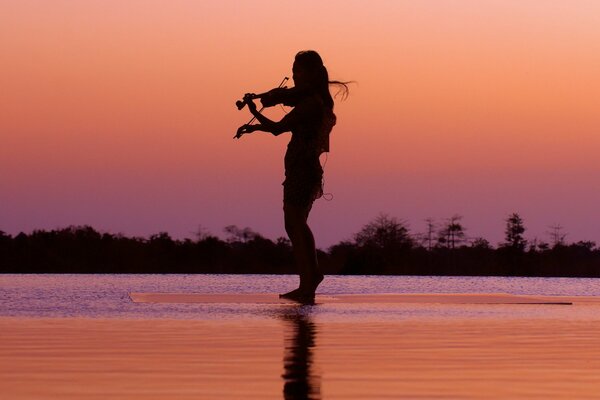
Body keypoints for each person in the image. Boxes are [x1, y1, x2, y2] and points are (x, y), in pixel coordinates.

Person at [236, 50, 348, 303]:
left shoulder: (310, 104)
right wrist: (255, 122)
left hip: (302, 170)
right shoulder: (312, 100)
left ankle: (309, 281)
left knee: (295, 223)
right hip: (301, 169)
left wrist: (255, 111)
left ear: (309, 74)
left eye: (298, 71)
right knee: (295, 224)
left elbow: (278, 129)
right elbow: (282, 119)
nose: (295, 77)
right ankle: (310, 278)